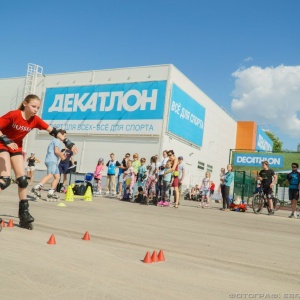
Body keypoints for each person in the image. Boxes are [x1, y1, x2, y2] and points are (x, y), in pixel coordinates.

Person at [0, 94, 78, 229]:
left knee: (23, 180)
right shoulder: (14, 115)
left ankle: (24, 214)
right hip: (2, 145)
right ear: (25, 104)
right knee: (5, 179)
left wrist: (67, 142)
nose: (36, 110)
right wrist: (6, 139)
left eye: (38, 107)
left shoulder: (35, 120)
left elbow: (53, 130)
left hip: (16, 147)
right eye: (33, 106)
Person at [32, 129, 71, 201]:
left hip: (53, 161)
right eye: (64, 136)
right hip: (51, 160)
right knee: (50, 175)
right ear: (60, 135)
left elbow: (57, 152)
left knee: (57, 177)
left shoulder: (55, 141)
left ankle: (51, 192)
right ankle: (37, 187)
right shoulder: (57, 141)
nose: (64, 139)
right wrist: (62, 156)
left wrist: (62, 155)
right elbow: (56, 151)